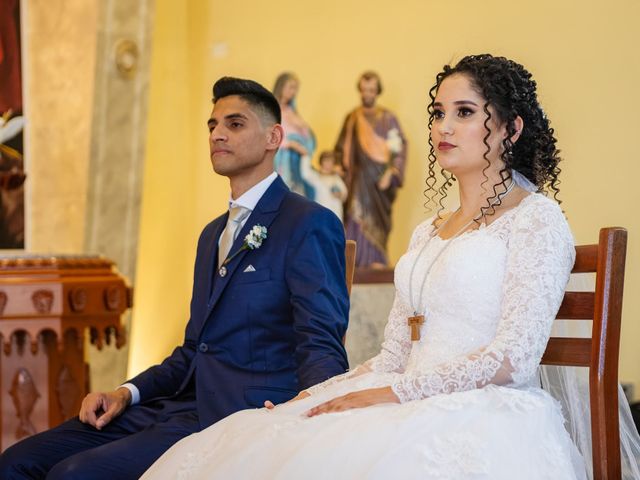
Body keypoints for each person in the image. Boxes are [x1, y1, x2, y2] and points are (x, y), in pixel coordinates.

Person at [142, 54, 590, 479]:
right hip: (406, 394)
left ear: (511, 128)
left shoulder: (536, 218)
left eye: (465, 112)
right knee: (260, 439)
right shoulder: (426, 232)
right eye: (438, 113)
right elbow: (395, 355)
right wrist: (317, 394)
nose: (443, 127)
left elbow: (513, 358)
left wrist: (393, 392)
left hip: (481, 410)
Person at [0, 77, 349, 479]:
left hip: (240, 414)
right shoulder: (211, 235)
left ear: (274, 137)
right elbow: (192, 350)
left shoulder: (308, 222)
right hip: (175, 404)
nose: (217, 134)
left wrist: (315, 416)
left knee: (75, 473)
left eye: (234, 124)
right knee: (16, 462)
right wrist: (124, 393)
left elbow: (320, 341)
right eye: (213, 125)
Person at [334, 71, 407, 269]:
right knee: (354, 216)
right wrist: (338, 166)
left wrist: (392, 172)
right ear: (360, 90)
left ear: (377, 91)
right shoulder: (352, 118)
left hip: (380, 181)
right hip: (358, 178)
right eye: (364, 90)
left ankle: (376, 258)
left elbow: (400, 148)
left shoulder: (388, 118)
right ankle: (352, 260)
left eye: (372, 90)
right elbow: (341, 148)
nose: (367, 94)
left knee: (378, 222)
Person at [272, 72, 317, 199]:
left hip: (297, 161)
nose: (294, 92)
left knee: (300, 196)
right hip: (283, 161)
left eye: (296, 88)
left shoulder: (291, 111)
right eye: (291, 87)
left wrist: (303, 127)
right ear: (281, 87)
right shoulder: (272, 110)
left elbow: (307, 136)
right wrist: (291, 144)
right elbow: (268, 135)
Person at [300, 150, 348, 221]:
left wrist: (340, 194)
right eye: (326, 161)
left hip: (336, 215)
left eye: (331, 162)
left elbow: (344, 193)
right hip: (322, 215)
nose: (328, 164)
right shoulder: (316, 177)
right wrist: (305, 156)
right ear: (321, 162)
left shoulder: (336, 178)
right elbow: (305, 174)